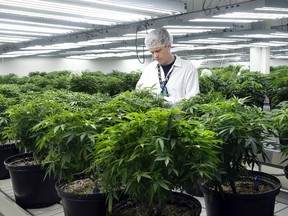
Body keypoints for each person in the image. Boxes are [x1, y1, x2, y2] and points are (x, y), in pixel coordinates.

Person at [136, 28, 199, 105]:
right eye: (152, 52)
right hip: (152, 116)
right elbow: (139, 94)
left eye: (158, 51)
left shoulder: (188, 69)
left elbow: (193, 99)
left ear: (169, 46)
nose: (155, 56)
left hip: (180, 116)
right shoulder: (149, 69)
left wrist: (164, 101)